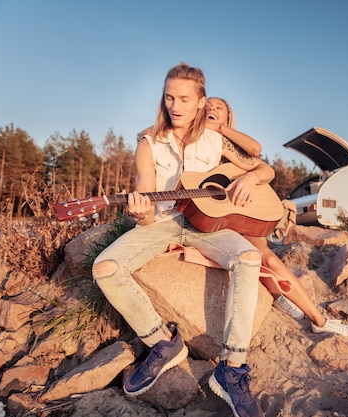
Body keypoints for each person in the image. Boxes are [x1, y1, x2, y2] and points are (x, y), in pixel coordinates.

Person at [92, 62, 268, 417]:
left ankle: (231, 369)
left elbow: (261, 164)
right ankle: (162, 341)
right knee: (105, 268)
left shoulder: (217, 140)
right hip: (166, 219)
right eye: (170, 97)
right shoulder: (148, 142)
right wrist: (140, 211)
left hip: (209, 222)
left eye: (185, 99)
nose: (175, 106)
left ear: (201, 102)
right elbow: (144, 192)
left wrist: (255, 179)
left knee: (249, 258)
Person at [205, 97, 348, 339]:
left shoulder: (227, 147)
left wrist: (250, 177)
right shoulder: (194, 142)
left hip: (235, 215)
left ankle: (319, 319)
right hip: (210, 218)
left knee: (270, 259)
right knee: (257, 259)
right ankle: (278, 295)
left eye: (218, 108)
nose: (211, 109)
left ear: (228, 118)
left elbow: (263, 164)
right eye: (207, 106)